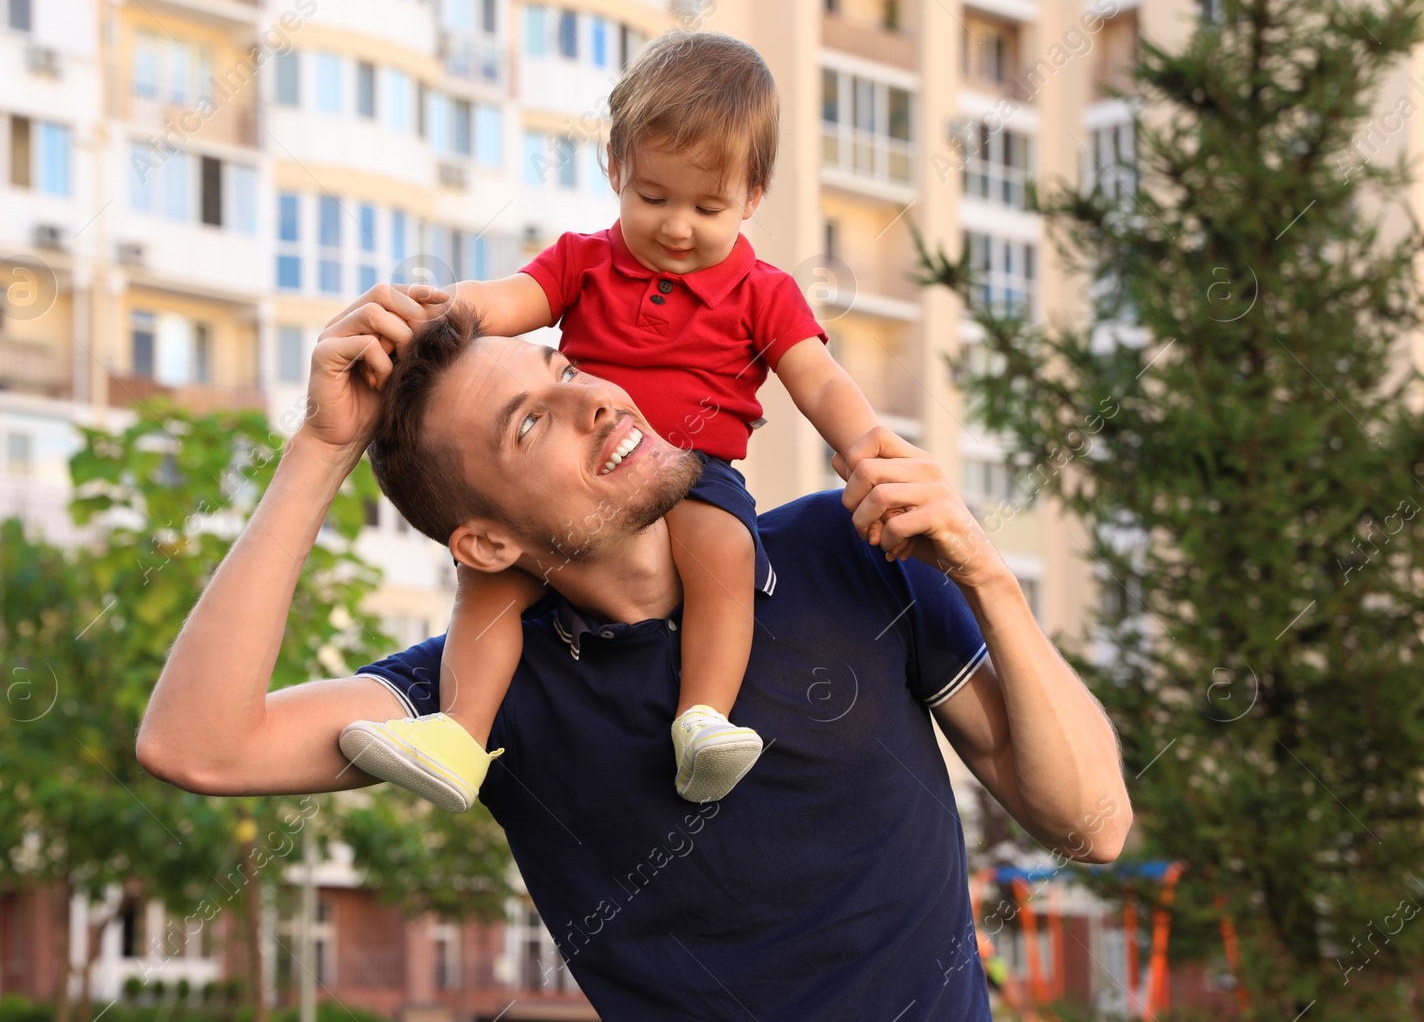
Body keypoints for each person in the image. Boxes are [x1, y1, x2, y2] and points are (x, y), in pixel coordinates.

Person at [137, 293, 1132, 1019]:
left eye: (564, 371)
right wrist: (320, 446)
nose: (594, 402)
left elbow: (1092, 821)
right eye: (531, 421)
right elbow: (201, 745)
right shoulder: (485, 690)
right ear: (485, 543)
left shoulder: (852, 552)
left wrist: (989, 579)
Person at [344, 31, 890, 813]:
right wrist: (445, 305)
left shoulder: (764, 293)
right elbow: (507, 305)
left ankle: (701, 715)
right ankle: (460, 735)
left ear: (753, 195)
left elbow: (817, 378)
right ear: (614, 169)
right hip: (583, 479)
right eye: (652, 198)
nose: (676, 227)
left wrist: (865, 444)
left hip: (692, 469)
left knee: (725, 554)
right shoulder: (583, 260)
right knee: (489, 578)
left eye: (708, 208)